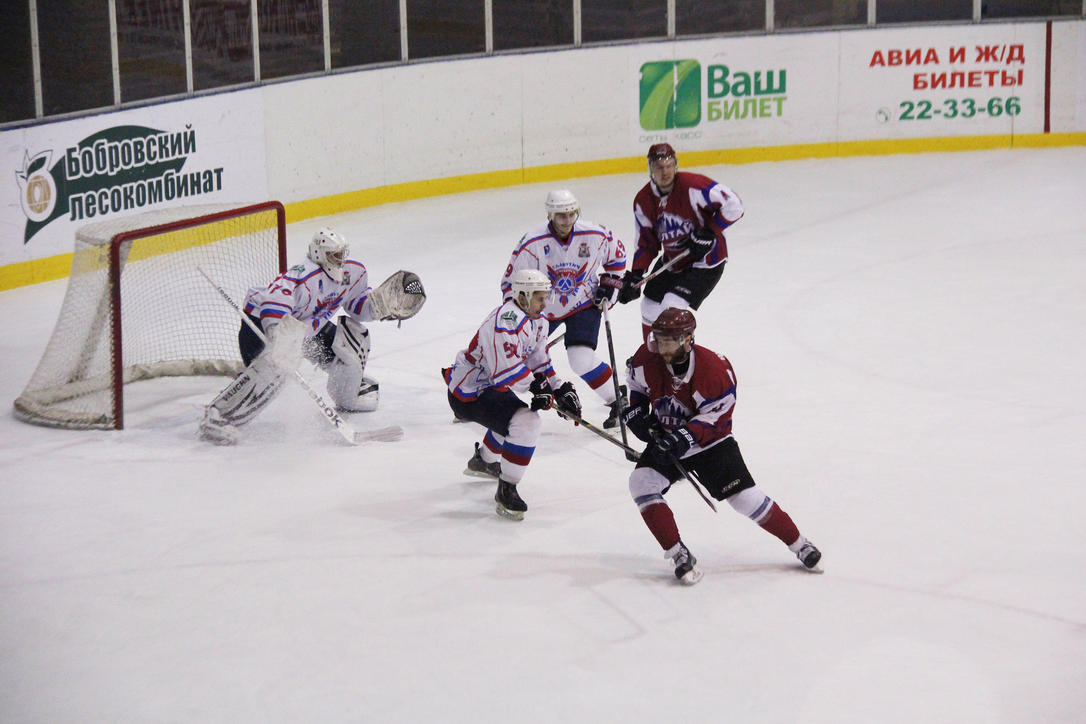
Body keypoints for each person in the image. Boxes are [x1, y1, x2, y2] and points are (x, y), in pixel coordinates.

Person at [621, 307, 821, 584]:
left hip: (710, 444)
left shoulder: (713, 369)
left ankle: (799, 544)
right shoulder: (647, 358)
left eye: (668, 342)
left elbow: (716, 417)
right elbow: (637, 387)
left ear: (687, 339)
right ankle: (678, 553)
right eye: (659, 340)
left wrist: (683, 437)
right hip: (667, 439)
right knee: (641, 483)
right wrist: (638, 412)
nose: (662, 348)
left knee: (744, 499)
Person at [199, 227, 425, 444]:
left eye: (342, 253)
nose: (340, 259)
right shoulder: (303, 275)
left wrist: (378, 306)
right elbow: (272, 302)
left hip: (308, 328)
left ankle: (348, 394)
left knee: (351, 345)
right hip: (260, 324)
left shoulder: (352, 272)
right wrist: (279, 336)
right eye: (334, 255)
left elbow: (357, 306)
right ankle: (219, 414)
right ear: (319, 254)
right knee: (274, 370)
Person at [444, 268, 582, 521]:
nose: (545, 304)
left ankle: (484, 461)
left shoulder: (538, 319)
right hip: (469, 392)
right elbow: (505, 371)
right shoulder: (505, 321)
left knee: (513, 418)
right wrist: (536, 387)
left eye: (545, 297)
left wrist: (558, 387)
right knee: (526, 422)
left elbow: (537, 359)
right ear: (522, 296)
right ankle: (506, 490)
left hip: (490, 388)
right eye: (539, 298)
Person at [501, 189, 627, 427]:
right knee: (512, 352)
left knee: (580, 359)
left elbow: (617, 256)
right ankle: (479, 392)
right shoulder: (532, 243)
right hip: (542, 310)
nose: (567, 220)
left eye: (571, 214)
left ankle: (618, 400)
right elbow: (510, 284)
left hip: (584, 304)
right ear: (550, 215)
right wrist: (519, 318)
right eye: (561, 215)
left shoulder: (594, 234)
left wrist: (612, 283)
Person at [618, 143, 745, 341]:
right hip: (674, 261)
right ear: (650, 169)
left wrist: (709, 231)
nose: (665, 172)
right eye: (659, 167)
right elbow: (647, 242)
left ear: (675, 165)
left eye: (669, 166)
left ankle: (680, 355)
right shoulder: (643, 200)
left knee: (671, 307)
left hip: (706, 262)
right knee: (649, 306)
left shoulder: (693, 185)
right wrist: (636, 275)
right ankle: (652, 354)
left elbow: (734, 205)